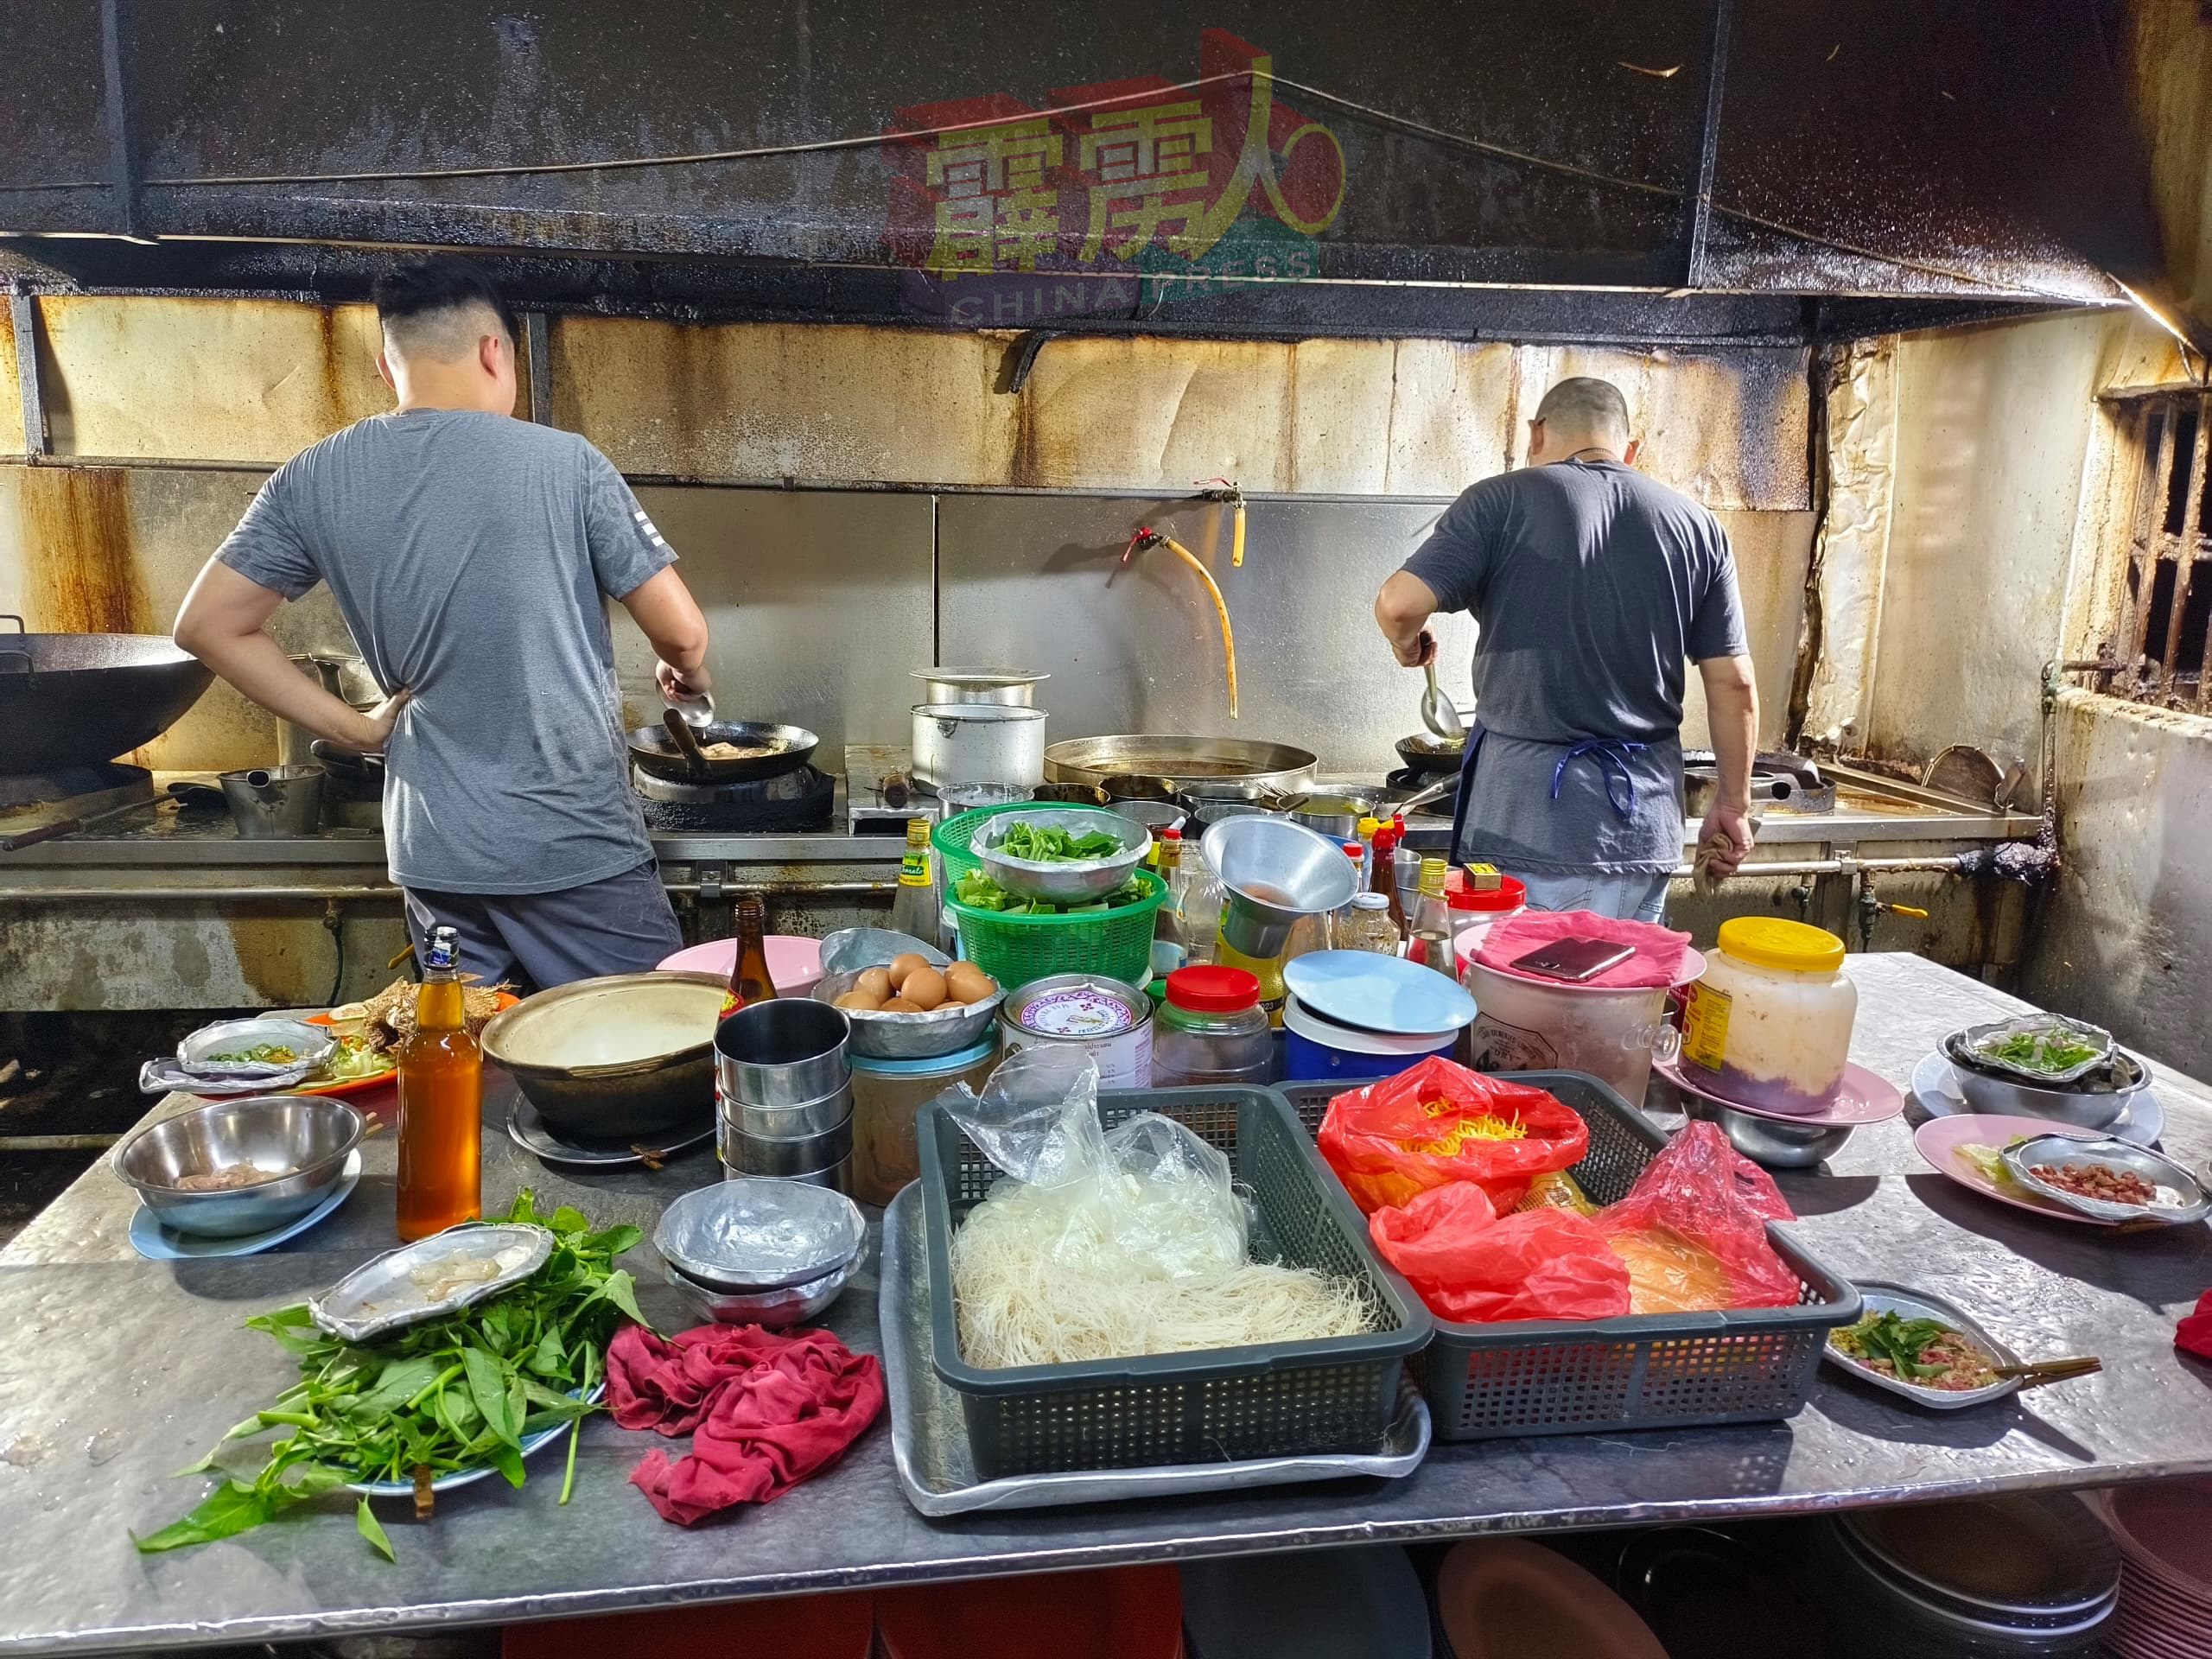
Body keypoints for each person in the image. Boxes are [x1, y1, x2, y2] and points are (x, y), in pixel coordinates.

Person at [175, 257, 714, 988]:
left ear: (384, 364)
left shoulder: (313, 476)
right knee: (640, 1055)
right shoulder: (567, 464)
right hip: (572, 845)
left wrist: (354, 729)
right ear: (497, 350)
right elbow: (680, 631)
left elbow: (207, 626)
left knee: (461, 1072)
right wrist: (687, 670)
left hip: (436, 852)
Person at [1372, 376, 1757, 923]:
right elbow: (1734, 684)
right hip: (1641, 829)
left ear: (1537, 433)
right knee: (1621, 1002)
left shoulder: (1500, 500)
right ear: (1630, 449)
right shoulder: (1698, 526)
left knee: (1512, 1004)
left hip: (1522, 828)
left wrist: (1406, 645)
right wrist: (1733, 805)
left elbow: (1397, 606)